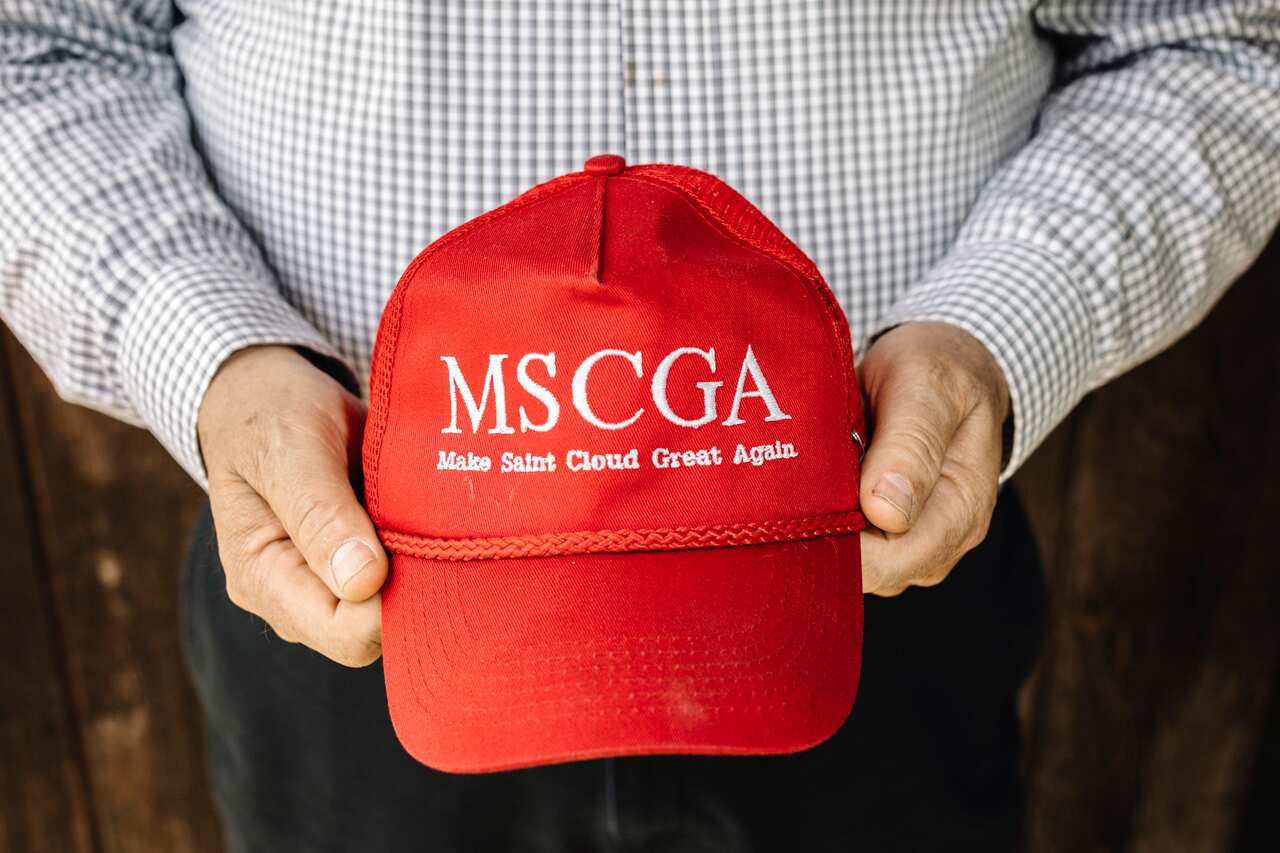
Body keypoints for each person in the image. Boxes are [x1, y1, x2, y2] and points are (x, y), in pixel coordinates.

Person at [2, 2, 1277, 851]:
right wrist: (215, 358)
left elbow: (1220, 41)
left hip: (871, 544)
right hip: (355, 578)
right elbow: (33, 47)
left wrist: (997, 326)